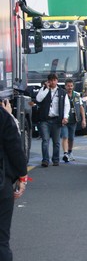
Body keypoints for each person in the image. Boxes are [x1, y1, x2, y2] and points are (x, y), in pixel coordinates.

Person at [0, 99, 28, 261]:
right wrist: (22, 177)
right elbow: (15, 149)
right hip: (2, 183)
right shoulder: (3, 117)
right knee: (1, 240)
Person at [35, 73, 70, 167]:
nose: (52, 82)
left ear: (57, 81)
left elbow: (67, 105)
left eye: (54, 80)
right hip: (45, 120)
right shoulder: (44, 90)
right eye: (50, 80)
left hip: (56, 120)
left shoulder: (62, 92)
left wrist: (65, 117)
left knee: (56, 141)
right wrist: (45, 89)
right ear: (48, 81)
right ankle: (45, 160)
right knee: (45, 140)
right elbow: (38, 99)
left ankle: (55, 159)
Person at [61, 79, 86, 162]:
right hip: (65, 120)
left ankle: (70, 152)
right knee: (65, 136)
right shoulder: (62, 95)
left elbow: (81, 107)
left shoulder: (77, 95)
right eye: (68, 86)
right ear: (65, 86)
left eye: (71, 86)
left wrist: (83, 120)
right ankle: (65, 153)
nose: (70, 87)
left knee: (71, 138)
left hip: (74, 120)